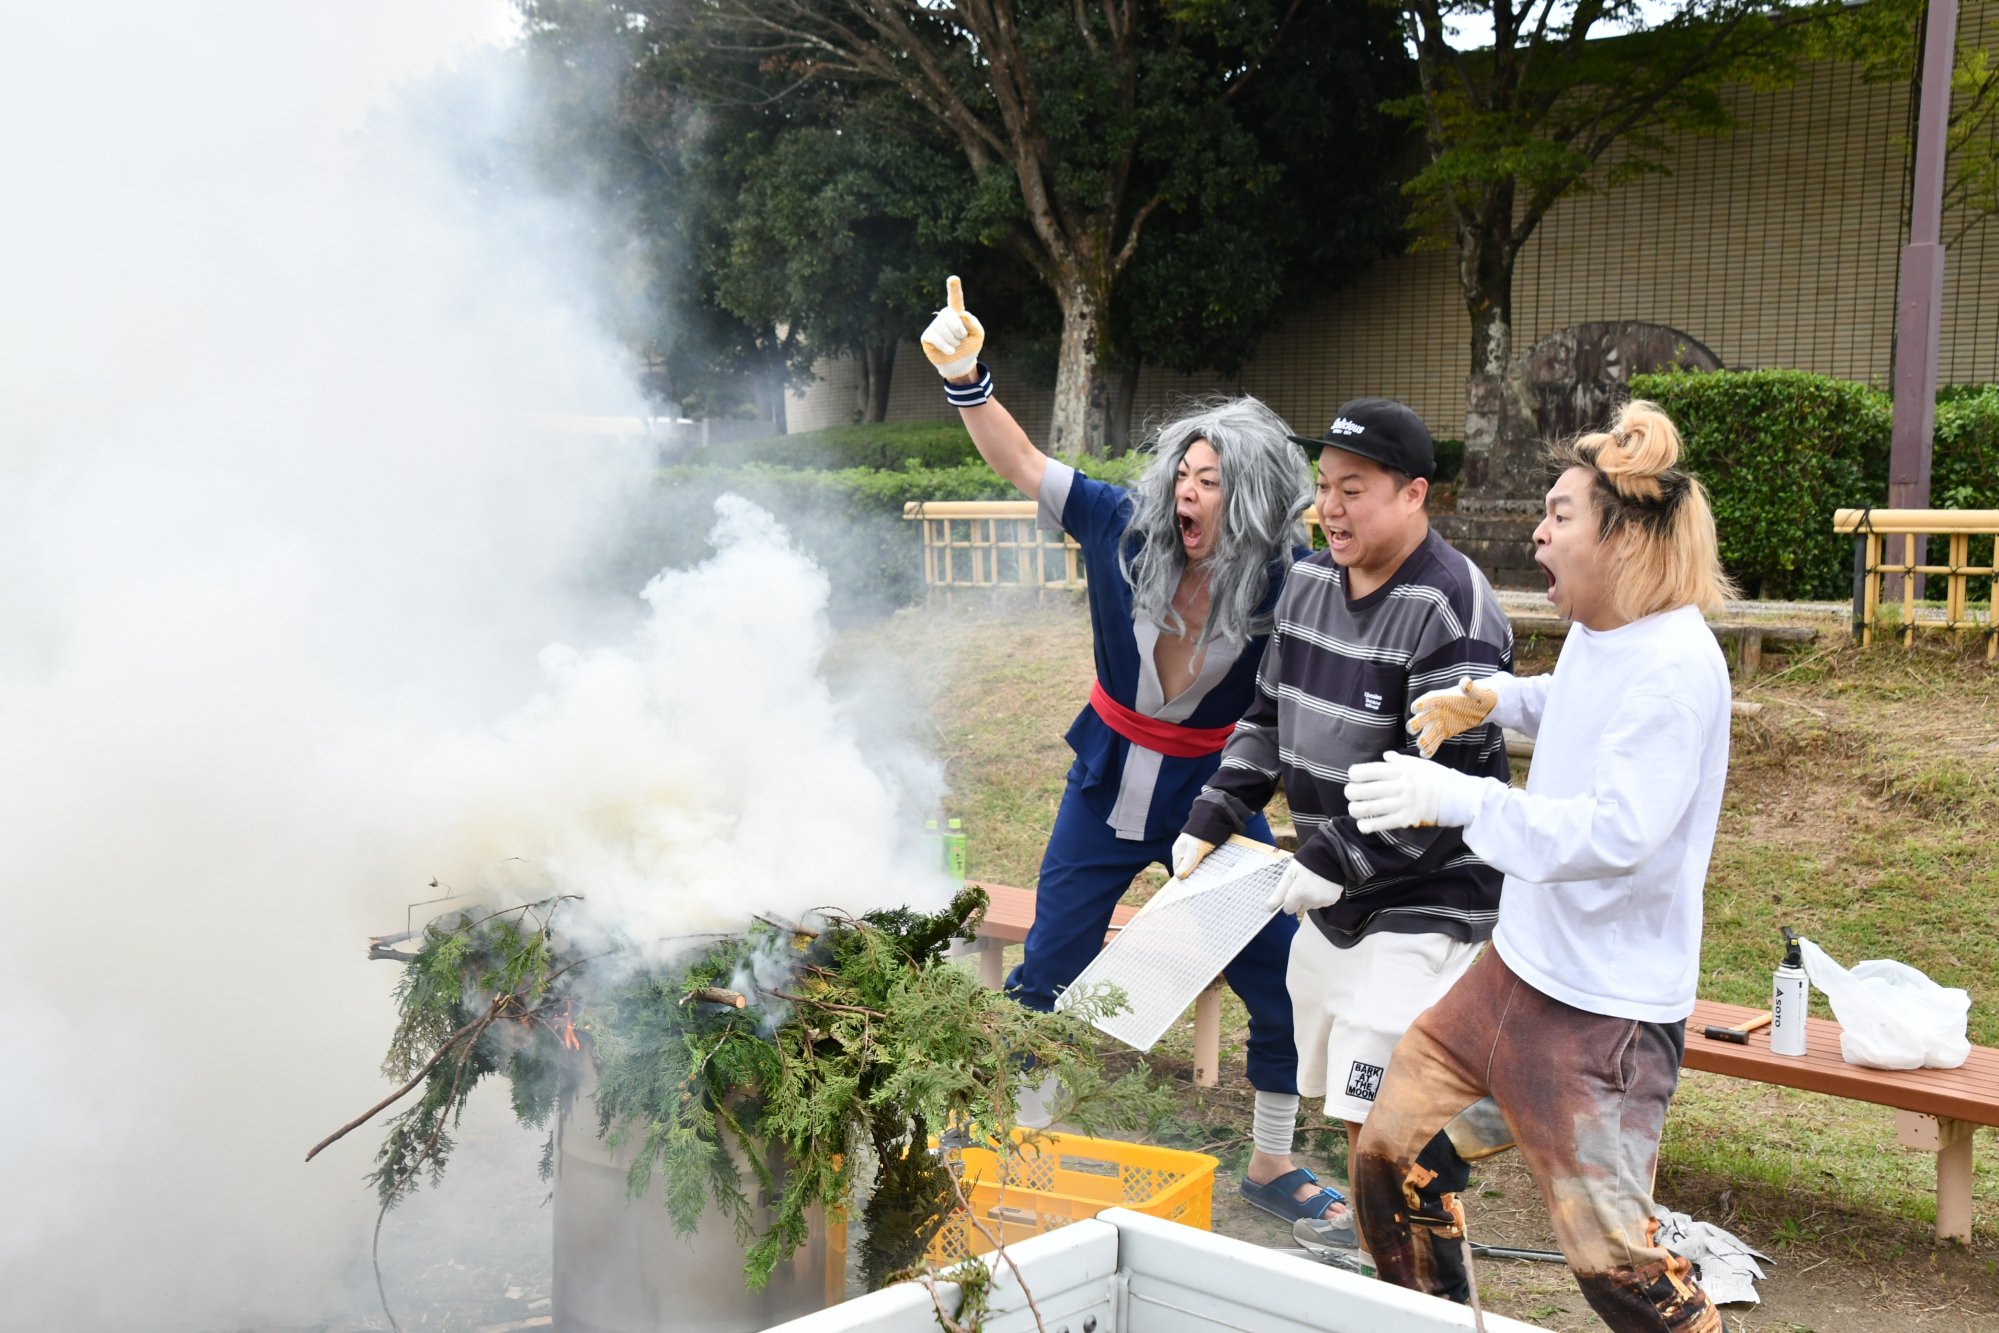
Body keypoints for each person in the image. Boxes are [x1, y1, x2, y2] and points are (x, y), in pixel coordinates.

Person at [919, 277, 1334, 1219]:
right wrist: (965, 376)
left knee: (1278, 973)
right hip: (1104, 777)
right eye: (1183, 475)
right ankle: (1002, 1142)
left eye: (1212, 482)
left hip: (1215, 799)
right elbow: (1019, 460)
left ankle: (1270, 1164)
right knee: (1050, 965)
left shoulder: (1289, 582)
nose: (1188, 494)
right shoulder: (1119, 526)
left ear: (1256, 501)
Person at [1342, 399, 1735, 1332]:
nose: (1539, 531)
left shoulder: (1678, 667)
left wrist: (1465, 798)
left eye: (1559, 515)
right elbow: (1579, 700)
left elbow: (1613, 832)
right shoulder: (1611, 634)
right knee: (1386, 1162)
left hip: (1602, 1018)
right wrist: (1496, 698)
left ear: (1624, 540)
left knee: (1621, 1276)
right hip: (1509, 975)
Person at [1171, 398, 1512, 1282]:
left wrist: (1332, 862)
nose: (1331, 507)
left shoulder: (1453, 604)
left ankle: (1420, 1283)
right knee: (1354, 1104)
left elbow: (1443, 782)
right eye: (1324, 487)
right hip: (1333, 893)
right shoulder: (1310, 581)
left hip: (1429, 896)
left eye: (1353, 490)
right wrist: (1211, 814)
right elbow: (1266, 717)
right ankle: (1386, 1254)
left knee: (1382, 1103)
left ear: (1413, 494)